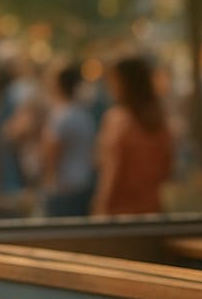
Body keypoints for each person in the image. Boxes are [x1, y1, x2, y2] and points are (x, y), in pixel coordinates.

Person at [91, 56, 173, 216]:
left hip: (119, 212)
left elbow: (111, 174)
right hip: (151, 208)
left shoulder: (118, 121)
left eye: (113, 81)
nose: (109, 87)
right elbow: (166, 169)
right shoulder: (160, 122)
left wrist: (100, 210)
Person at [40, 62, 96, 217]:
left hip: (62, 189)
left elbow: (51, 155)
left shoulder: (60, 116)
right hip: (82, 184)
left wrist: (48, 184)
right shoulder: (84, 114)